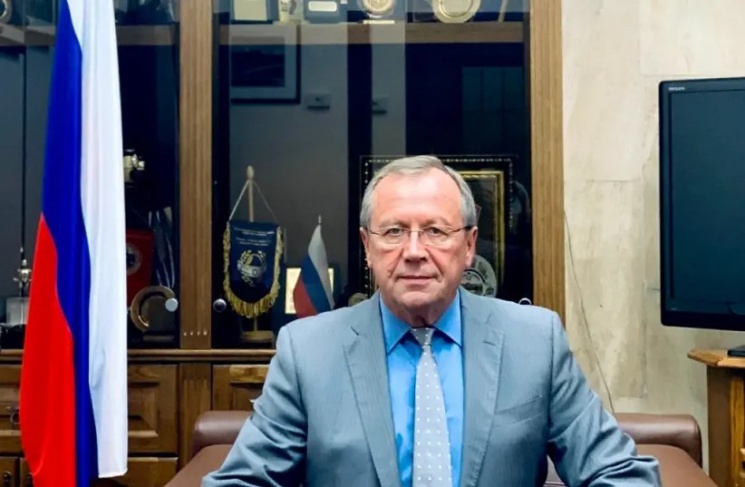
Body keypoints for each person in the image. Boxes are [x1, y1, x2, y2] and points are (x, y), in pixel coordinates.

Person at [202, 156, 661, 487]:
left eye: (436, 231)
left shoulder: (535, 340)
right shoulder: (308, 351)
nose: (414, 251)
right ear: (367, 247)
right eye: (394, 231)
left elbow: (619, 472)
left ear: (469, 246)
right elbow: (242, 481)